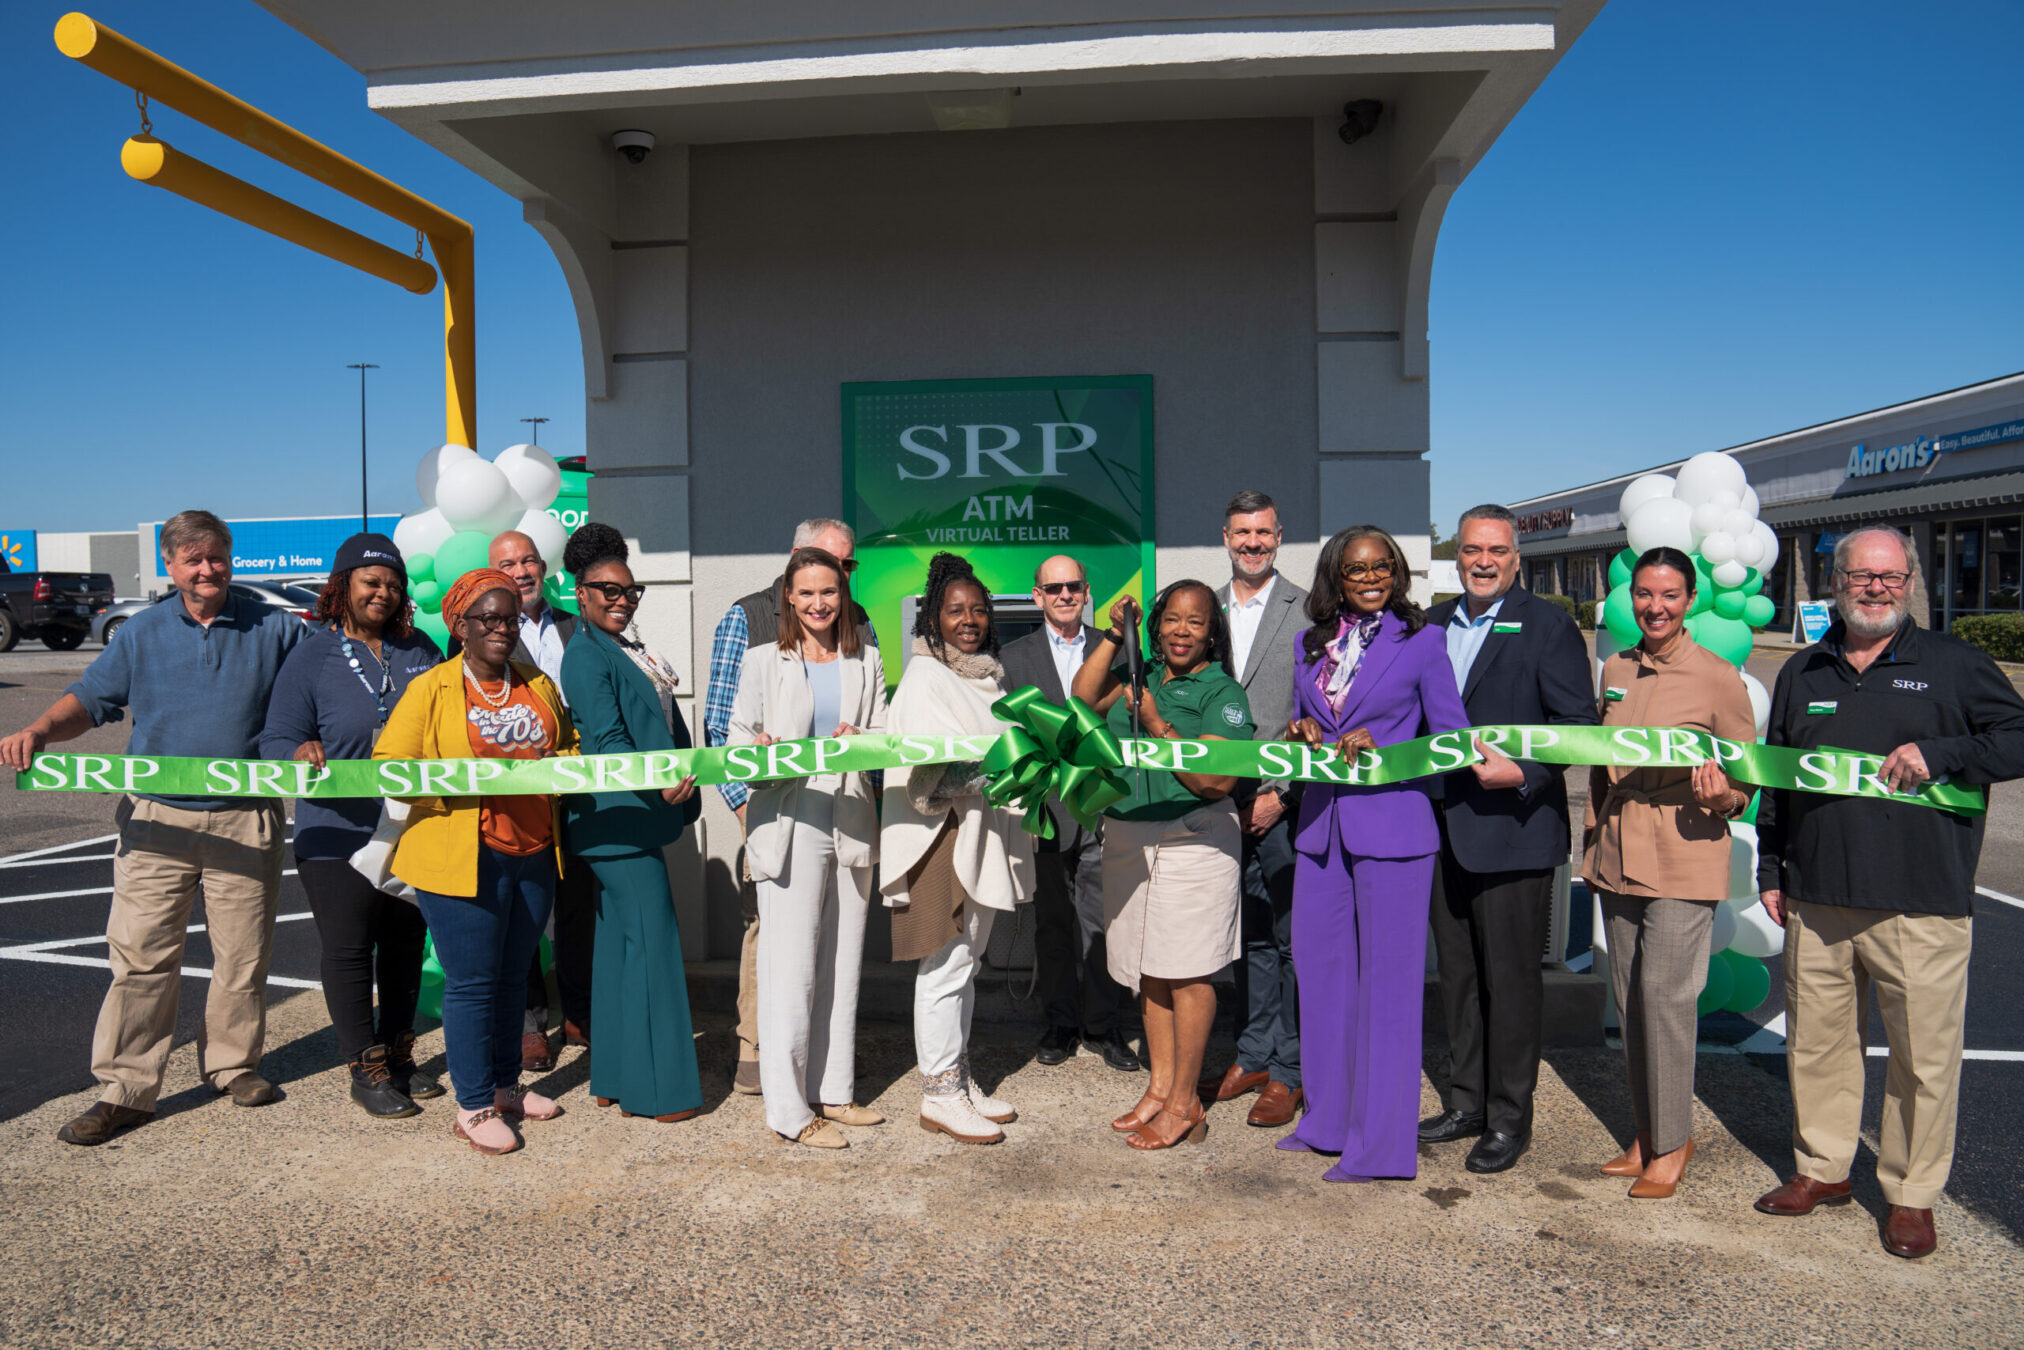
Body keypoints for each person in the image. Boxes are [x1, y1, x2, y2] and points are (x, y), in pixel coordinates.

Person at [1753, 526, 2024, 1258]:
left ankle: (1911, 1195)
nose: (1875, 588)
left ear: (1909, 583)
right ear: (1836, 582)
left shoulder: (1954, 664)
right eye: (1861, 576)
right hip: (1819, 897)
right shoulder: (1804, 670)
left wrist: (1945, 753)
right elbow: (1778, 778)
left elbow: (2018, 736)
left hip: (1921, 901)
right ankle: (1822, 1169)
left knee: (1923, 1062)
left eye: (1890, 577)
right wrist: (1771, 870)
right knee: (1817, 1045)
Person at [2, 511, 304, 1146]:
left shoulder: (276, 628)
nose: (206, 569)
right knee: (140, 958)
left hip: (245, 814)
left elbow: (312, 700)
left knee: (243, 956)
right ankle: (126, 1089)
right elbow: (91, 700)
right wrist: (39, 729)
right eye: (192, 559)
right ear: (171, 565)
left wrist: (311, 740)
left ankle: (233, 1066)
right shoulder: (141, 632)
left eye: (216, 556)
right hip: (155, 818)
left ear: (230, 558)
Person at [1277, 524, 1468, 1182]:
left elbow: (1453, 742)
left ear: (1398, 572)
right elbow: (1304, 722)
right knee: (1322, 980)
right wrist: (1299, 729)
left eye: (1382, 566)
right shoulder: (1309, 645)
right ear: (1336, 576)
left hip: (1393, 832)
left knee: (1387, 991)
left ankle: (1381, 1149)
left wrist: (1387, 752)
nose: (1370, 578)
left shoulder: (1424, 641)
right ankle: (1327, 1122)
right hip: (1320, 829)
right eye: (1356, 569)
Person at [375, 567, 579, 1156]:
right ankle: (472, 1105)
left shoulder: (535, 681)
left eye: (509, 619)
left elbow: (567, 745)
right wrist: (456, 783)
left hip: (534, 850)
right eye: (487, 618)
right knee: (472, 983)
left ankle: (505, 1087)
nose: (501, 628)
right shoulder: (432, 688)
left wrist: (561, 765)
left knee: (514, 976)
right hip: (463, 853)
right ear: (460, 625)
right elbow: (391, 764)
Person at [1420, 505, 1597, 1173]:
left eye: (1496, 551)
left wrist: (1524, 772)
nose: (1484, 562)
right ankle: (1467, 1102)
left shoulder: (1548, 625)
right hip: (1441, 828)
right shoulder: (1432, 624)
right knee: (1459, 977)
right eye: (1472, 550)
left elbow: (1577, 725)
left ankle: (1508, 1119)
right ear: (1458, 556)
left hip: (1514, 829)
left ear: (1516, 559)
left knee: (1512, 984)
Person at [1582, 546, 1754, 1200]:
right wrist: (1592, 839)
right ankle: (1649, 1131)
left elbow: (1747, 777)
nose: (1655, 607)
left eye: (1670, 595)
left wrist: (1727, 798)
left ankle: (1674, 1142)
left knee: (1666, 996)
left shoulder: (1718, 677)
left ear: (1690, 600)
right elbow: (1599, 763)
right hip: (1619, 849)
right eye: (1644, 594)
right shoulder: (1615, 669)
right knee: (1630, 998)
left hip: (1685, 847)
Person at [259, 533, 443, 1118]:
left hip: (410, 827)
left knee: (405, 946)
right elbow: (276, 737)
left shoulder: (420, 649)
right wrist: (297, 752)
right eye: (371, 582)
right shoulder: (311, 655)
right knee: (349, 948)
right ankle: (365, 1069)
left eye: (393, 584)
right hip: (335, 831)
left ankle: (399, 1056)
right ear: (343, 587)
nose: (383, 593)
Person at [1072, 582, 1253, 1150]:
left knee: (1189, 971)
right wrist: (1112, 636)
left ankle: (1185, 1103)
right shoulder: (1141, 672)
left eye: (1195, 622)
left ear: (1212, 633)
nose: (1181, 631)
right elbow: (1081, 702)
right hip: (1130, 837)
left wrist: (1155, 723)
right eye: (1171, 619)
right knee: (1150, 967)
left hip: (1192, 841)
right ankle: (1159, 1087)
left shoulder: (1222, 691)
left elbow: (1215, 780)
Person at [703, 518, 871, 1095]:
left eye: (845, 568)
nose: (833, 580)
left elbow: (877, 725)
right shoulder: (747, 619)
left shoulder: (860, 629)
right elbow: (723, 726)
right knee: (774, 943)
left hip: (842, 816)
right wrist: (745, 810)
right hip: (774, 813)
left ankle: (824, 1070)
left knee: (834, 948)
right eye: (823, 565)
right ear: (795, 563)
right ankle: (760, 1056)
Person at [730, 546, 889, 1148]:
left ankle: (833, 1090)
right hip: (788, 823)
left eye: (829, 591)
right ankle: (790, 1110)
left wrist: (861, 738)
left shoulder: (866, 659)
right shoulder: (761, 660)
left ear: (842, 595)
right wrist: (761, 749)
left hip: (850, 819)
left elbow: (885, 737)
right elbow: (737, 742)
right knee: (790, 970)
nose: (819, 603)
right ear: (788, 599)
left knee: (842, 964)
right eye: (807, 593)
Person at [880, 552, 1033, 1144]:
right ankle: (939, 1095)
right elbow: (929, 776)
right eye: (954, 611)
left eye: (978, 610)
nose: (968, 620)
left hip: (981, 834)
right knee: (944, 965)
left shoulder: (987, 676)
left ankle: (958, 1081)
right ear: (932, 619)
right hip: (943, 836)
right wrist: (1013, 769)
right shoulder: (926, 676)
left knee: (966, 964)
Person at [557, 525, 705, 1123]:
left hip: (631, 821)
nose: (623, 600)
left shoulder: (625, 648)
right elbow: (609, 742)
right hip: (618, 820)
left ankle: (614, 1079)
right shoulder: (585, 655)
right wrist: (655, 785)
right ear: (581, 593)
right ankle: (660, 1093)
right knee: (654, 948)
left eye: (631, 591)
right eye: (609, 591)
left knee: (622, 949)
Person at [999, 554, 1138, 1073]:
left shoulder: (1118, 648)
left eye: (1073, 586)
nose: (1064, 595)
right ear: (1037, 596)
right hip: (1046, 809)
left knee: (1104, 922)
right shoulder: (1011, 657)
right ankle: (1060, 1023)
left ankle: (1103, 1025)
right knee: (1053, 923)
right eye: (1053, 588)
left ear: (1086, 591)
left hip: (1102, 804)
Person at [1204, 490, 1309, 1127]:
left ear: (1279, 536)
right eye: (1242, 533)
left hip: (1286, 804)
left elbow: (1320, 712)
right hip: (1220, 803)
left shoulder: (1310, 610)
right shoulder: (1204, 610)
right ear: (1226, 537)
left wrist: (1282, 793)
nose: (1252, 543)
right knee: (1248, 936)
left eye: (1262, 533)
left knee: (1294, 937)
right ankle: (1253, 1053)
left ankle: (1291, 1069)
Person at [488, 529, 590, 1075]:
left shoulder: (578, 624)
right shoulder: (482, 635)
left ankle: (578, 1013)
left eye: (529, 560)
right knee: (522, 909)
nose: (521, 571)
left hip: (580, 785)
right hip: (520, 793)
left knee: (577, 905)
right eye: (508, 564)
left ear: (544, 568)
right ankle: (530, 1025)